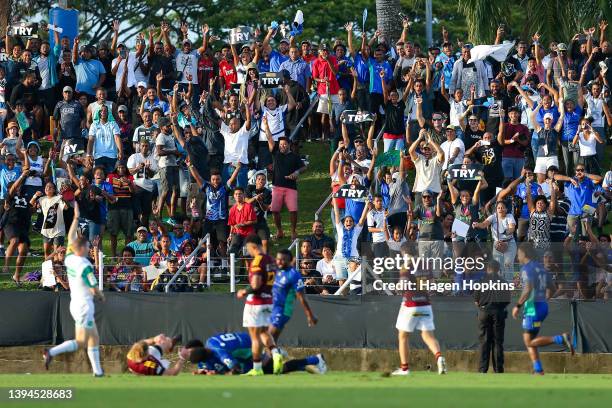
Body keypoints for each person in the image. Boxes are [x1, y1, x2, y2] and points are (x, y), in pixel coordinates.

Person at [43, 201, 105, 377]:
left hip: (76, 303)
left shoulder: (69, 259)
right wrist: (101, 296)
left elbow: (70, 239)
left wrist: (76, 218)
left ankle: (98, 372)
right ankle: (51, 352)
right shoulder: (85, 264)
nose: (88, 249)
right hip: (84, 305)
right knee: (81, 341)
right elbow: (93, 287)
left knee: (93, 337)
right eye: (86, 246)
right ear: (83, 248)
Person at [512, 243, 574, 375]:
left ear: (524, 253)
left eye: (519, 253)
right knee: (529, 339)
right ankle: (538, 370)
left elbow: (528, 288)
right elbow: (552, 288)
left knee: (528, 340)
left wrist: (517, 306)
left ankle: (561, 339)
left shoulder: (527, 268)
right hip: (542, 306)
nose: (517, 256)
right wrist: (545, 300)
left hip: (532, 307)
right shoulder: (541, 268)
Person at [392, 244, 447, 376]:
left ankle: (405, 369)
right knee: (428, 336)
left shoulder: (406, 266)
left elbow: (402, 286)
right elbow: (432, 285)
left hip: (411, 305)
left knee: (403, 336)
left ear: (404, 253)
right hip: (425, 304)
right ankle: (439, 357)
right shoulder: (425, 264)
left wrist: (397, 288)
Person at [236, 234, 284, 376]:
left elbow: (256, 285)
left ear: (253, 246)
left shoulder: (257, 261)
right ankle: (275, 353)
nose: (248, 251)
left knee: (254, 337)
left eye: (248, 248)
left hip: (256, 302)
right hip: (269, 300)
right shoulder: (272, 260)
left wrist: (244, 291)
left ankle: (256, 368)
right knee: (264, 332)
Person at [185, 333, 327, 375]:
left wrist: (222, 374)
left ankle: (315, 359)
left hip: (251, 349)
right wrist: (204, 371)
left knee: (278, 370)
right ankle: (307, 365)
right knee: (275, 369)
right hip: (247, 345)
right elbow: (205, 365)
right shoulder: (209, 343)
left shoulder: (220, 352)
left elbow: (235, 369)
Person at [262, 119, 307, 241]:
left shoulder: (295, 156)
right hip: (277, 186)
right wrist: (266, 125)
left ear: (289, 145)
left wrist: (296, 172)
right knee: (275, 210)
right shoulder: (276, 153)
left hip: (291, 187)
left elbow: (304, 167)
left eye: (284, 144)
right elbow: (270, 138)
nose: (282, 146)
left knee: (293, 210)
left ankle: (293, 231)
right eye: (281, 144)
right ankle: (280, 231)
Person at [269, 249, 318, 342]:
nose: (279, 261)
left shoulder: (294, 275)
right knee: (271, 342)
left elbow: (301, 297)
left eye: (282, 259)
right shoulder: (277, 270)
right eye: (278, 259)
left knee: (268, 339)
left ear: (289, 261)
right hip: (272, 308)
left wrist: (310, 315)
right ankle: (274, 355)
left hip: (282, 310)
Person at [473, 260, 511, 373]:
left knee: (484, 342)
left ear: (487, 269)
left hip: (484, 312)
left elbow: (476, 301)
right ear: (498, 269)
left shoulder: (481, 282)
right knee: (497, 342)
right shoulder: (503, 282)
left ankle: (482, 369)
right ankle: (498, 369)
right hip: (498, 313)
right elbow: (507, 301)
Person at [331, 196, 369, 289]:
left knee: (354, 282)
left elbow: (362, 219)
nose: (348, 222)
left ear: (353, 223)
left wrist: (367, 204)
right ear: (344, 223)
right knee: (342, 283)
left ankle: (354, 297)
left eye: (351, 221)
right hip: (340, 258)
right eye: (347, 221)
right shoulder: (340, 229)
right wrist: (335, 199)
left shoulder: (356, 230)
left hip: (353, 258)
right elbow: (336, 214)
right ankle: (343, 301)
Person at [473, 201, 517, 280]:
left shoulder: (509, 216)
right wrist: (477, 224)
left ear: (506, 209)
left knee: (508, 264)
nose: (500, 209)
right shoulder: (493, 217)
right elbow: (484, 224)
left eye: (502, 207)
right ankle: (499, 284)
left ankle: (509, 284)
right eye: (498, 208)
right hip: (497, 244)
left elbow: (512, 228)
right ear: (496, 210)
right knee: (498, 265)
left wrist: (506, 232)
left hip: (510, 243)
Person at [154, 116, 181, 224]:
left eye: (170, 125)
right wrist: (173, 152)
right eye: (167, 125)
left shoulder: (169, 136)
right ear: (161, 127)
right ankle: (159, 214)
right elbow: (159, 151)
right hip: (165, 166)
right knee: (166, 190)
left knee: (176, 191)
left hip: (173, 164)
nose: (169, 126)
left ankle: (172, 216)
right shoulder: (161, 136)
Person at [32, 181, 67, 258]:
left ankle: (58, 268)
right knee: (46, 252)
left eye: (50, 187)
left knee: (58, 253)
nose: (48, 188)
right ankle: (47, 269)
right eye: (46, 187)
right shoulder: (41, 199)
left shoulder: (58, 198)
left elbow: (66, 207)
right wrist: (35, 196)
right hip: (46, 230)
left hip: (58, 230)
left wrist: (62, 197)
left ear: (54, 190)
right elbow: (31, 204)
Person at [87, 105, 123, 174]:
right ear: (99, 112)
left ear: (108, 113)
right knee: (99, 177)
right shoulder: (94, 125)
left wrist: (120, 151)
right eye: (101, 111)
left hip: (112, 155)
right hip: (98, 156)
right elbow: (91, 140)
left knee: (110, 178)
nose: (103, 112)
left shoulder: (113, 124)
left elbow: (117, 138)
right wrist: (89, 154)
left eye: (105, 111)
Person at [245, 172, 272, 253]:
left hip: (260, 220)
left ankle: (265, 260)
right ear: (255, 180)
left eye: (263, 180)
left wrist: (260, 202)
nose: (261, 181)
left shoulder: (267, 192)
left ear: (265, 182)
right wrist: (255, 198)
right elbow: (246, 201)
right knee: (249, 244)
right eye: (259, 179)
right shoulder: (249, 188)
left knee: (265, 242)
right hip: (248, 220)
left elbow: (266, 209)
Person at [227, 187, 257, 255]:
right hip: (237, 234)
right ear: (234, 196)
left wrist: (242, 224)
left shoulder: (248, 206)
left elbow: (254, 221)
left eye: (240, 194)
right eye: (236, 194)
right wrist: (230, 235)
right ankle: (232, 264)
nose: (238, 195)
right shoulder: (232, 209)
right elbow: (232, 224)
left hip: (248, 234)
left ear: (243, 195)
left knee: (247, 254)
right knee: (231, 252)